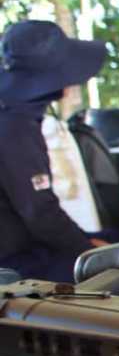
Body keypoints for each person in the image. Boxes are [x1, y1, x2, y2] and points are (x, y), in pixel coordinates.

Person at [0, 20, 110, 282]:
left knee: (115, 240)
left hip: (21, 238)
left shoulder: (15, 111)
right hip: (15, 261)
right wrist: (89, 252)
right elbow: (40, 215)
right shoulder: (14, 127)